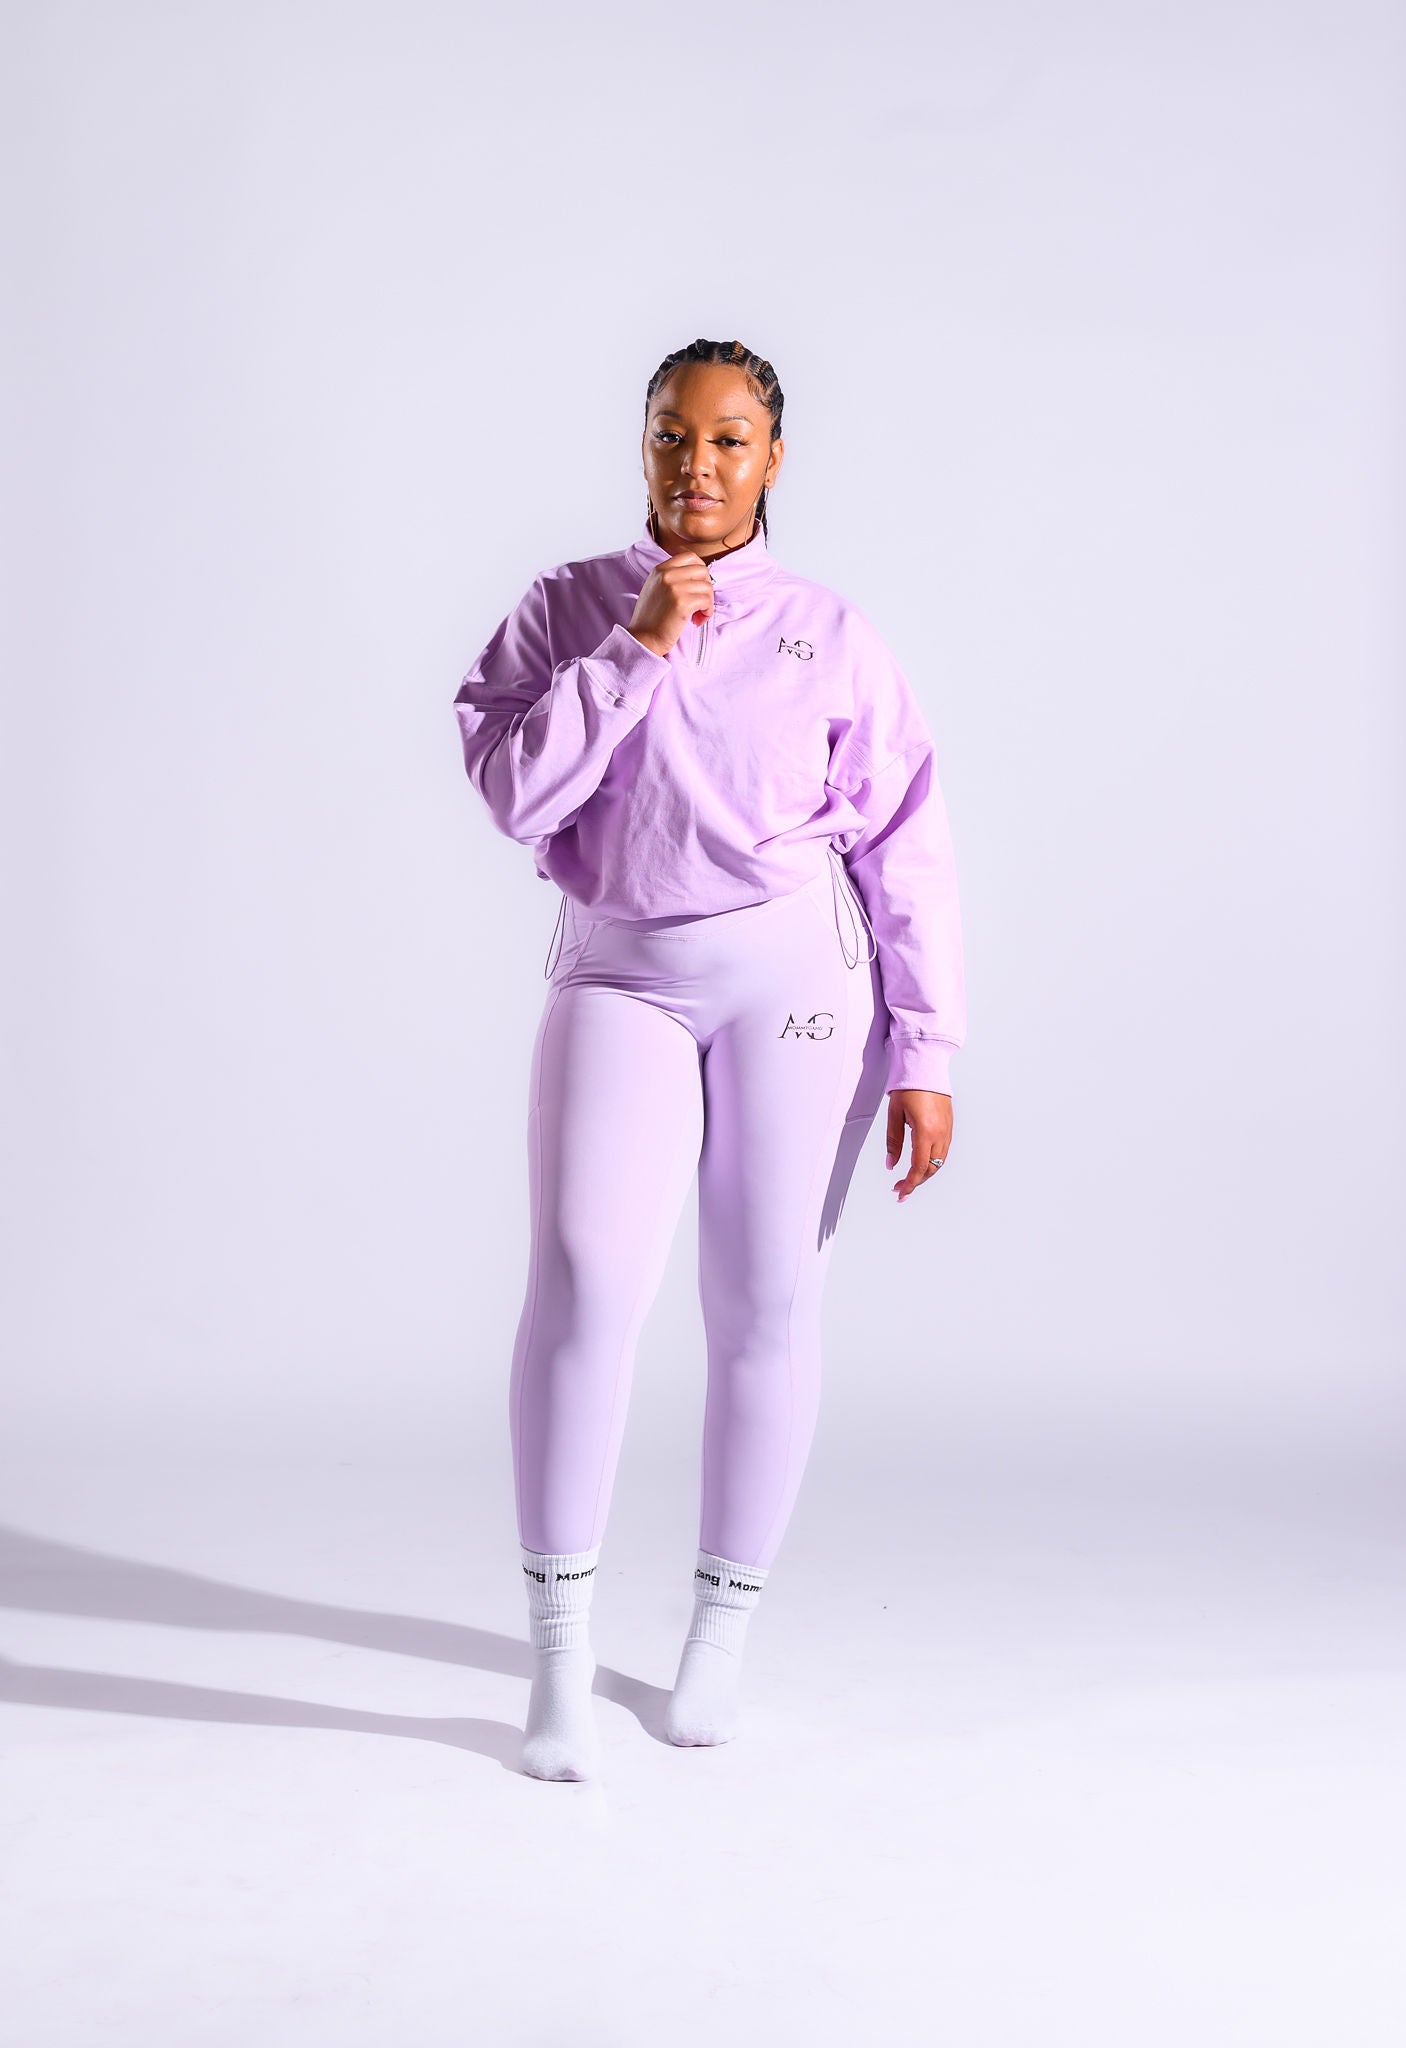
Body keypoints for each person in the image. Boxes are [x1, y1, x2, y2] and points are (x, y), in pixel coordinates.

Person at [452, 337, 966, 1781]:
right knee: (582, 1276)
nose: (698, 463)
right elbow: (513, 794)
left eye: (730, 439)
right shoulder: (567, 606)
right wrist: (632, 651)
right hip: (621, 968)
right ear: (642, 446)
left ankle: (717, 1644)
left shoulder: (830, 631)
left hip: (798, 983)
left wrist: (927, 1045)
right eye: (674, 435)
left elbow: (905, 841)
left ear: (772, 459)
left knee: (763, 1297)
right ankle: (558, 1662)